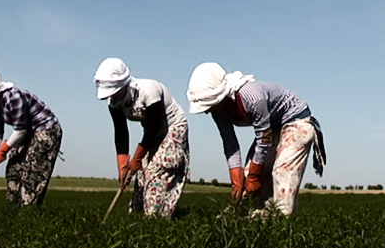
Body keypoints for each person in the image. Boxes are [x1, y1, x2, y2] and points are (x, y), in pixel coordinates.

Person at [187, 62, 325, 216]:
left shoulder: (252, 97)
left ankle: (282, 222)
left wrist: (255, 175)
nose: (207, 112)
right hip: (272, 126)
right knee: (247, 177)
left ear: (220, 96)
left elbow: (263, 137)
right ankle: (250, 218)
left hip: (296, 121)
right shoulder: (218, 111)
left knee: (282, 173)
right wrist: (237, 179)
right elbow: (230, 143)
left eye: (209, 106)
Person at [92, 58, 190, 218]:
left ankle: (156, 217)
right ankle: (137, 217)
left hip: (172, 128)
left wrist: (136, 158)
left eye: (114, 92)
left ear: (123, 85)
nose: (112, 97)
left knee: (157, 172)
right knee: (142, 176)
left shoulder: (148, 92)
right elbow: (121, 133)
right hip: (151, 133)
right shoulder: (114, 104)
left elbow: (151, 129)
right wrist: (123, 166)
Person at [0, 68, 62, 207]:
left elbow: (20, 130)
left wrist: (2, 151)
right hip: (27, 134)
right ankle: (13, 208)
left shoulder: (15, 98)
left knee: (33, 172)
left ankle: (28, 212)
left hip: (45, 130)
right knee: (14, 169)